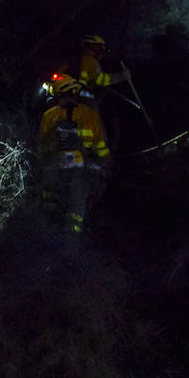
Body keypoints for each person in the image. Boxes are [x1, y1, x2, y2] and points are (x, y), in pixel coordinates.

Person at [36, 76, 111, 233]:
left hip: (55, 171)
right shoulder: (90, 114)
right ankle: (72, 245)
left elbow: (42, 148)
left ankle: (47, 238)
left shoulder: (49, 115)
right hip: (82, 172)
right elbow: (101, 147)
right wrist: (105, 166)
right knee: (76, 216)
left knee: (50, 209)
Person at [77, 33, 131, 100]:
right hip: (80, 97)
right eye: (99, 48)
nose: (101, 52)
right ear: (90, 46)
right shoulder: (90, 61)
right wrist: (120, 76)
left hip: (77, 94)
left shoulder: (80, 59)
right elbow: (99, 80)